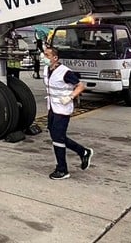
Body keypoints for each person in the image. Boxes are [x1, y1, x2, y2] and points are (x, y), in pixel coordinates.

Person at [43, 46, 93, 179]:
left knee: (58, 138)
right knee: (56, 136)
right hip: (52, 108)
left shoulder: (64, 72)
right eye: (44, 54)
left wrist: (70, 97)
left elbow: (81, 85)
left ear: (55, 58)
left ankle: (62, 169)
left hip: (62, 109)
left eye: (47, 55)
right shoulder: (46, 69)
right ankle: (83, 152)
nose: (44, 57)